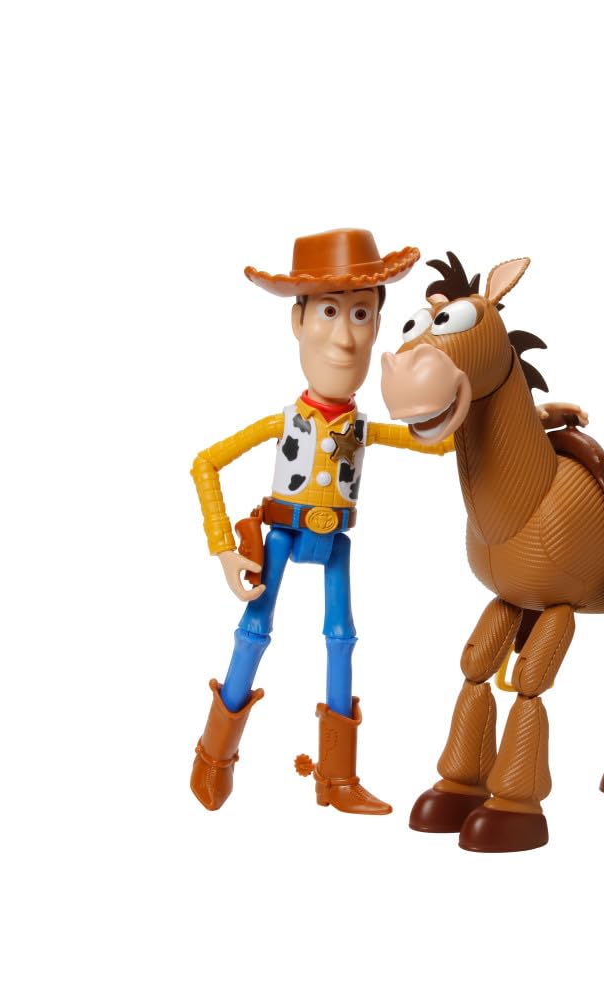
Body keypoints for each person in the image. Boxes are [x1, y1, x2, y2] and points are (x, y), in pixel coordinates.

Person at [189, 228, 451, 815]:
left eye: (360, 314)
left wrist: (518, 414)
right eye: (329, 311)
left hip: (336, 541)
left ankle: (337, 779)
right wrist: (224, 547)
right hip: (282, 534)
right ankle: (213, 758)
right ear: (298, 320)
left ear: (378, 326)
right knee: (254, 632)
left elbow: (439, 442)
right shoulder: (285, 423)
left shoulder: (363, 428)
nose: (345, 337)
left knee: (342, 640)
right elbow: (205, 462)